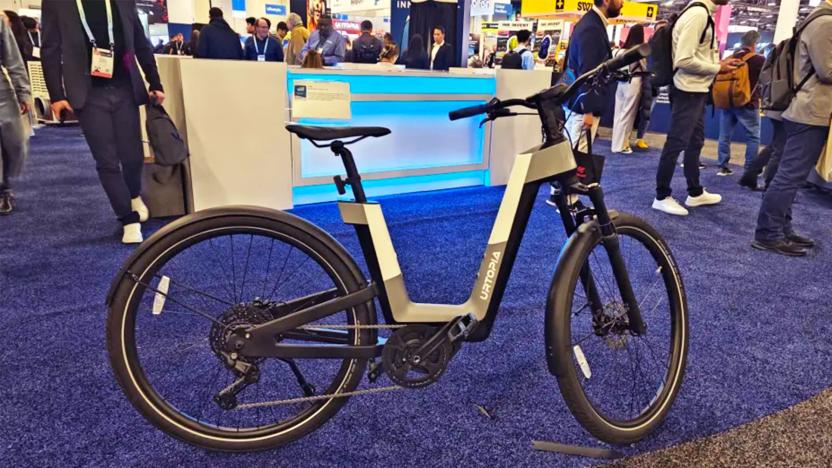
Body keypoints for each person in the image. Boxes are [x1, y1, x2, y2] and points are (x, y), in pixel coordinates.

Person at [41, 0, 166, 243]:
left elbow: (139, 42)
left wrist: (155, 81)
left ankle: (132, 194)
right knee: (106, 159)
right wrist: (57, 95)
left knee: (133, 155)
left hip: (124, 87)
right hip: (88, 92)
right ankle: (127, 219)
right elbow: (50, 49)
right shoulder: (57, 3)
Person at [753, 4, 832, 256]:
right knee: (789, 176)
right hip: (810, 112)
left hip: (808, 110)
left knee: (791, 175)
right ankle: (768, 234)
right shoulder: (825, 23)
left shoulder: (817, 21)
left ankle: (781, 228)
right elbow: (827, 70)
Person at [651, 0, 741, 216]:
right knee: (677, 142)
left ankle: (695, 191)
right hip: (687, 89)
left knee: (695, 141)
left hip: (696, 89)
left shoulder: (702, 13)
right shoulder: (697, 14)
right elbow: (683, 59)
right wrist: (717, 67)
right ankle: (661, 196)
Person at [715, 30, 765, 176]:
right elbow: (765, 80)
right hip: (748, 102)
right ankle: (749, 169)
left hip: (727, 101)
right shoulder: (759, 60)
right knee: (753, 136)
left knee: (724, 135)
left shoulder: (730, 58)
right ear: (755, 43)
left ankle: (722, 167)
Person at [0, 13, 32, 215]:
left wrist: (23, 92)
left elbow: (13, 58)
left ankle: (7, 181)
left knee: (16, 141)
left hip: (2, 90)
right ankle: (3, 189)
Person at [611, 25, 646, 154]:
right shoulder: (638, 52)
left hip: (620, 82)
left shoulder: (620, 51)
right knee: (628, 114)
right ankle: (622, 145)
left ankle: (616, 144)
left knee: (618, 113)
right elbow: (645, 68)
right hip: (634, 82)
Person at [739, 111, 785, 191]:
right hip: (786, 113)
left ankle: (750, 175)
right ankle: (771, 185)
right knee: (779, 149)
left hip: (776, 111)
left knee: (775, 145)